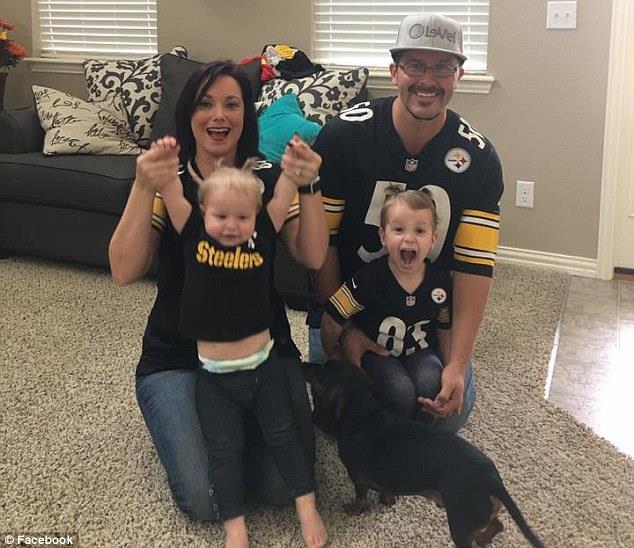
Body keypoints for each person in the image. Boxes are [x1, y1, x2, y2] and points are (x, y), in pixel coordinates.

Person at [108, 61, 328, 532]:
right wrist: (143, 185)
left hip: (263, 352)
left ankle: (236, 424)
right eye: (205, 104)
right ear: (188, 114)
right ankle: (204, 424)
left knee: (281, 487)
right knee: (207, 497)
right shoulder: (171, 181)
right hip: (180, 356)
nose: (218, 116)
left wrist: (309, 184)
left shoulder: (268, 178)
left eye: (232, 104)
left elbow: (312, 255)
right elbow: (123, 271)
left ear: (247, 113)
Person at [310, 13, 504, 431]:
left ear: (459, 75)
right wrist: (345, 333)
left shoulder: (479, 159)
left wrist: (457, 364)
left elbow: (474, 267)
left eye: (442, 67)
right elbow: (323, 243)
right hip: (350, 306)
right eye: (415, 65)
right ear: (394, 71)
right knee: (347, 416)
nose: (427, 80)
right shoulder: (343, 137)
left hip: (424, 318)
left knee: (445, 417)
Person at [155, 151, 327, 547]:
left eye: (242, 217)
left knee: (285, 437)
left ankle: (307, 507)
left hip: (264, 370)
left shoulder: (262, 235)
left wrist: (295, 171)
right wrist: (162, 168)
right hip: (213, 380)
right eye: (220, 216)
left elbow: (283, 193)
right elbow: (171, 193)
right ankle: (235, 528)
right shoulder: (193, 233)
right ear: (202, 212)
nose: (231, 225)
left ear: (256, 217)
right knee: (223, 453)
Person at [321, 188, 452, 421]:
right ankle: (389, 434)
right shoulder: (368, 279)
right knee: (399, 391)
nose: (408, 238)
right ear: (383, 236)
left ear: (433, 239)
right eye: (399, 230)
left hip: (420, 350)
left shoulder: (439, 282)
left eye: (420, 231)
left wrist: (452, 367)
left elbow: (445, 328)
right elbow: (332, 318)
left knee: (432, 382)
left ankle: (419, 434)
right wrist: (332, 353)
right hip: (377, 352)